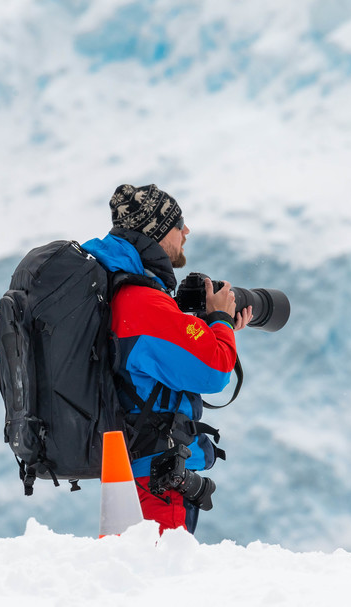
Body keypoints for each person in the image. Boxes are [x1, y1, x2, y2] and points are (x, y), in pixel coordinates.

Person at [81, 184, 252, 534]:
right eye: (179, 223)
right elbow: (214, 370)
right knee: (156, 582)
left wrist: (210, 328)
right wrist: (219, 321)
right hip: (154, 484)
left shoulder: (118, 291)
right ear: (156, 233)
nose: (186, 231)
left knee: (128, 578)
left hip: (129, 474)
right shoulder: (141, 303)